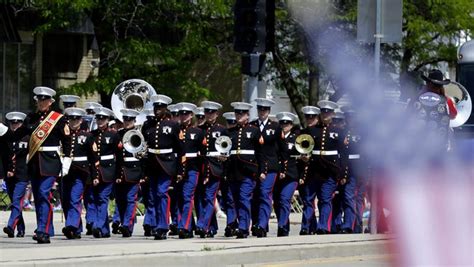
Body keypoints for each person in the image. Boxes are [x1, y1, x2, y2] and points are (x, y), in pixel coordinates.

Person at [25, 86, 72, 244]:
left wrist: (66, 162)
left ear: (50, 102)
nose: (41, 102)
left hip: (51, 162)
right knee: (38, 197)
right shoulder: (31, 118)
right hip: (35, 163)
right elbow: (17, 134)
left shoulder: (58, 118)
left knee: (44, 194)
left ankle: (42, 231)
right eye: (39, 99)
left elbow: (67, 141)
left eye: (44, 99)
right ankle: (45, 228)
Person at [143, 94, 182, 240]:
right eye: (155, 107)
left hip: (167, 164)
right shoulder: (148, 125)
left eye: (160, 108)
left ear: (165, 109)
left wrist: (179, 170)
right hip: (153, 165)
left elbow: (180, 150)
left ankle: (163, 226)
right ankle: (154, 225)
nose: (157, 110)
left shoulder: (172, 125)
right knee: (152, 196)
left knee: (161, 193)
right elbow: (146, 146)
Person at [249, 98, 288, 238]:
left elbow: (283, 150)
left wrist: (283, 168)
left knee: (265, 194)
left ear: (269, 111)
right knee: (255, 196)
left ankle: (262, 225)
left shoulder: (276, 127)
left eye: (265, 110)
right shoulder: (252, 125)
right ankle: (256, 224)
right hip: (254, 166)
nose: (262, 112)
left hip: (271, 166)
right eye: (260, 109)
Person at [227, 101, 264, 238]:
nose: (238, 116)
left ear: (247, 115)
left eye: (241, 113)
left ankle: (243, 228)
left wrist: (261, 171)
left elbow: (260, 153)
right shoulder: (230, 131)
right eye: (237, 113)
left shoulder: (254, 130)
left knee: (244, 199)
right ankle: (238, 225)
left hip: (248, 171)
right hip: (233, 170)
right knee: (235, 200)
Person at [61, 107, 98, 239]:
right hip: (66, 171)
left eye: (76, 119)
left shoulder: (87, 136)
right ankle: (76, 229)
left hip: (81, 172)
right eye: (71, 119)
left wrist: (95, 176)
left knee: (74, 198)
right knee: (65, 200)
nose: (74, 121)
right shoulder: (64, 135)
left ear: (81, 120)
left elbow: (94, 158)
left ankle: (71, 225)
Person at [195, 100, 227, 238]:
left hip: (215, 167)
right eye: (207, 112)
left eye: (212, 112)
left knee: (209, 197)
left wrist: (224, 157)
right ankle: (212, 227)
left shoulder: (221, 130)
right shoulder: (200, 130)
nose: (209, 115)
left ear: (217, 114)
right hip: (202, 167)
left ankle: (202, 225)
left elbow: (227, 148)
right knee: (203, 198)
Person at [90, 107, 121, 238]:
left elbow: (119, 155)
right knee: (96, 198)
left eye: (103, 118)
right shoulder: (92, 134)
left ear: (108, 120)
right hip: (95, 170)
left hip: (108, 169)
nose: (100, 121)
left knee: (103, 198)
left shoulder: (113, 135)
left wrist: (119, 174)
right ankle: (104, 230)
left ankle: (98, 224)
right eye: (98, 118)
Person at [175, 102, 204, 239]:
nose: (183, 116)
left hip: (192, 168)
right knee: (180, 198)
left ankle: (184, 227)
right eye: (181, 114)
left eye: (186, 114)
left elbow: (203, 153)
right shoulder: (175, 130)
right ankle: (189, 225)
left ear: (191, 115)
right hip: (178, 170)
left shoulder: (197, 132)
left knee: (187, 197)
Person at [115, 108, 142, 237]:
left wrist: (143, 174)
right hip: (120, 170)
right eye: (125, 119)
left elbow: (143, 155)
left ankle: (127, 225)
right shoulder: (118, 134)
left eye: (129, 119)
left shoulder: (138, 134)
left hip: (134, 169)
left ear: (134, 120)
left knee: (131, 199)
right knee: (120, 200)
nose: (127, 122)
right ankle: (123, 222)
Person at [2, 111, 29, 238]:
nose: (15, 125)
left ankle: (10, 226)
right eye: (12, 123)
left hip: (22, 174)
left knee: (17, 200)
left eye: (17, 123)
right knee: (15, 202)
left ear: (22, 124)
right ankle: (21, 228)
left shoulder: (27, 137)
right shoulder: (5, 138)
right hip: (9, 175)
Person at [273, 112, 299, 237]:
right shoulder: (275, 139)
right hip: (277, 174)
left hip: (291, 175)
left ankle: (282, 226)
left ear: (291, 125)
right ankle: (283, 224)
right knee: (277, 202)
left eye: (287, 123)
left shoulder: (295, 139)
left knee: (284, 199)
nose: (284, 126)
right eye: (282, 123)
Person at [298, 105, 320, 235]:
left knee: (315, 201)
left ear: (317, 118)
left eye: (312, 117)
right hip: (305, 171)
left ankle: (307, 226)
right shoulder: (302, 133)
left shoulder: (321, 131)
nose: (310, 119)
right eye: (308, 117)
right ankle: (311, 226)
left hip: (319, 171)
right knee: (307, 200)